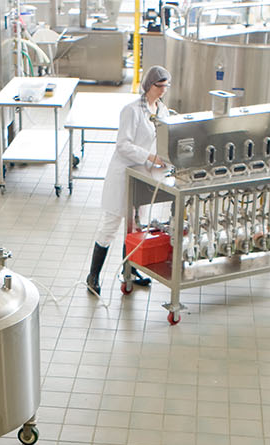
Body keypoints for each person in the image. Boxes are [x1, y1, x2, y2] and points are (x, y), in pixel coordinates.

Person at [85, 65, 171, 296]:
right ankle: (93, 276)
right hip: (124, 174)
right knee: (111, 225)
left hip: (143, 175)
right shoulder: (131, 110)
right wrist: (150, 156)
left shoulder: (163, 111)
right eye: (159, 85)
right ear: (148, 85)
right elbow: (123, 145)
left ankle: (129, 273)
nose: (163, 90)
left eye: (165, 86)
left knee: (135, 227)